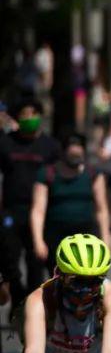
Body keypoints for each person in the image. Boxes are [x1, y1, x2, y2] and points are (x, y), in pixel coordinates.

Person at [0, 99, 61, 298]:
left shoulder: (50, 146)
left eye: (33, 114)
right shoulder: (6, 142)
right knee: (9, 259)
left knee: (36, 262)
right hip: (11, 210)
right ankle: (17, 297)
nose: (29, 118)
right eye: (24, 114)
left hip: (41, 213)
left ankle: (32, 305)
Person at [30, 134, 109, 273]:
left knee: (88, 276)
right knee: (58, 278)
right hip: (56, 237)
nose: (76, 159)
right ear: (63, 153)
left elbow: (101, 209)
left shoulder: (93, 174)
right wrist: (38, 240)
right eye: (72, 155)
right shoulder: (48, 174)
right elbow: (38, 210)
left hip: (87, 237)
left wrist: (106, 237)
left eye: (78, 155)